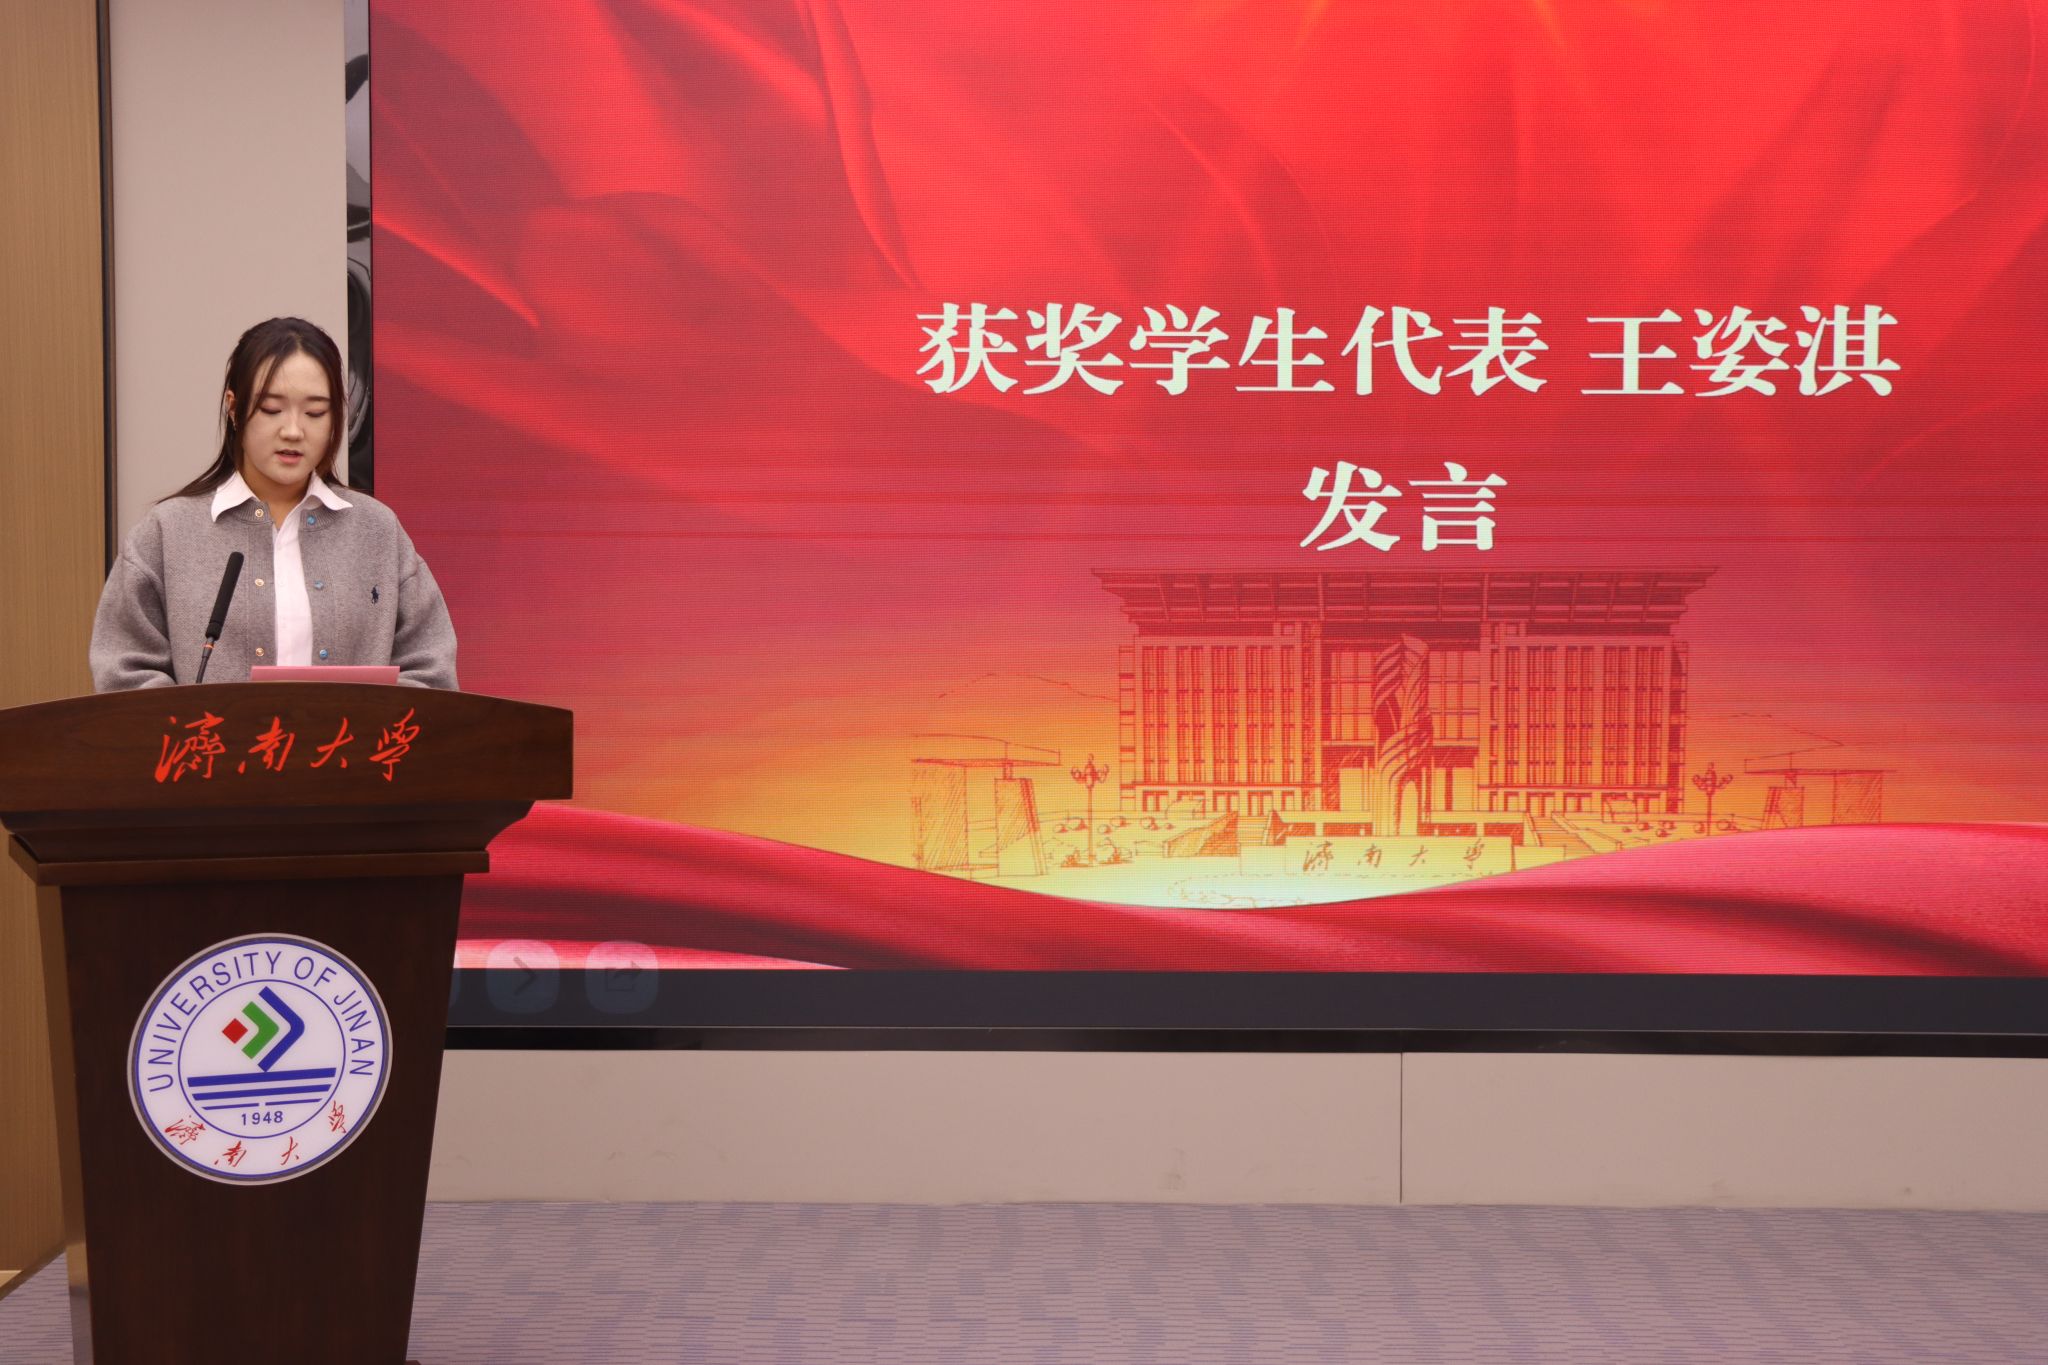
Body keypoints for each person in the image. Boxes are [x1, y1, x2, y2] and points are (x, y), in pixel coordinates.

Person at [90, 317, 457, 690]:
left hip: (353, 733)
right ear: (234, 408)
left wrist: (371, 720)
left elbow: (431, 671)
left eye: (315, 413)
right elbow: (125, 673)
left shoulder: (376, 530)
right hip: (210, 733)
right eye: (271, 409)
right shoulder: (167, 533)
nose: (293, 431)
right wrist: (196, 723)